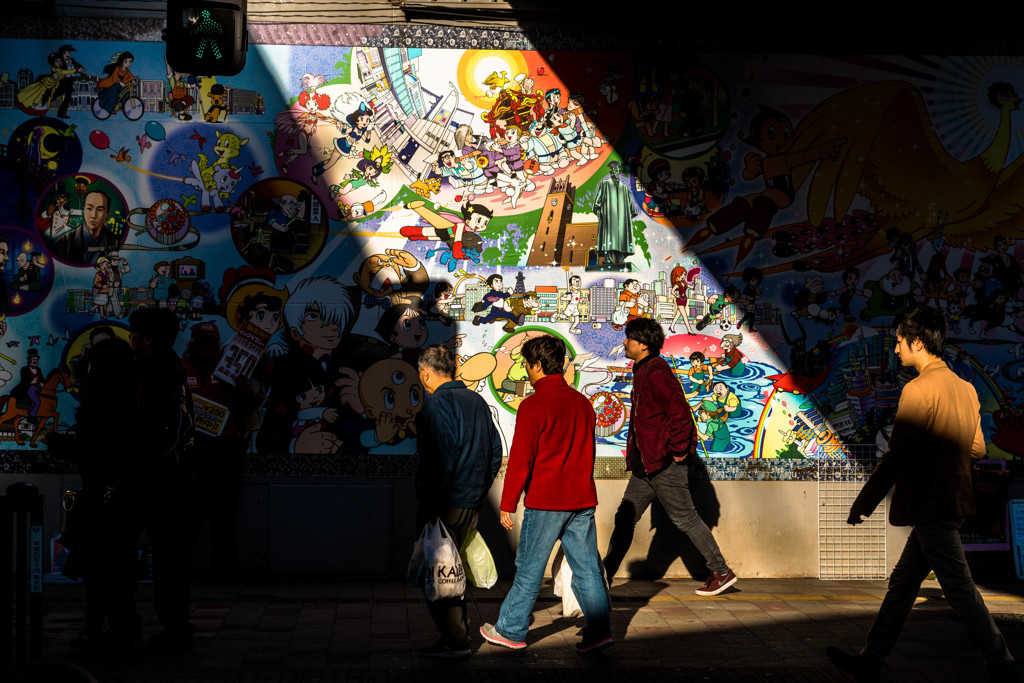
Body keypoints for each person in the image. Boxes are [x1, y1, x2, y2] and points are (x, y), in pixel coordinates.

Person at [826, 304, 1016, 682]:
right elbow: (977, 448)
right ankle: (871, 658)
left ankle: (1002, 663)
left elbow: (897, 455)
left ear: (916, 342)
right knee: (903, 583)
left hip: (932, 505)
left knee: (960, 589)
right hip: (953, 500)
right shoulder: (965, 388)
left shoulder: (917, 389)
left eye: (899, 342)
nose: (896, 350)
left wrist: (864, 502)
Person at [480, 335, 612, 654]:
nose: (525, 371)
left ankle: (511, 629)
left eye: (527, 364)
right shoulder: (582, 403)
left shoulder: (533, 406)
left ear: (538, 365)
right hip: (582, 501)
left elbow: (521, 461)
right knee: (588, 568)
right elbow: (588, 454)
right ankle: (600, 631)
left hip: (547, 502)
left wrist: (507, 503)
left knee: (529, 569)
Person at [603, 318, 737, 596]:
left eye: (629, 339)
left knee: (685, 518)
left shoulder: (656, 371)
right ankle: (605, 575)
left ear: (643, 344)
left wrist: (677, 452)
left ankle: (721, 571)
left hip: (662, 463)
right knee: (625, 518)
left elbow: (680, 414)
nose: (625, 343)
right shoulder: (643, 369)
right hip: (646, 466)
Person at [45, 338, 144, 652]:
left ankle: (106, 631)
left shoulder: (101, 399)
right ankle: (118, 628)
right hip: (128, 496)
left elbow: (93, 451)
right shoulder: (133, 395)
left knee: (101, 570)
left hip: (103, 497)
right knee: (118, 568)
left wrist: (57, 442)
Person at [414, 344, 502, 658]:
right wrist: (479, 489)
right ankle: (456, 635)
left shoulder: (434, 407)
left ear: (425, 373)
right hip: (471, 501)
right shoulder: (477, 401)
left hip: (445, 503)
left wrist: (429, 506)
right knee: (453, 568)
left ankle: (455, 640)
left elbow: (439, 461)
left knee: (440, 570)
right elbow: (494, 453)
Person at [130, 307, 197, 653]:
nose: (131, 339)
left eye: (135, 333)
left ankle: (169, 627)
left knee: (154, 556)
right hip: (176, 476)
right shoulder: (174, 366)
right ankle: (177, 624)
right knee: (171, 557)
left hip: (153, 478)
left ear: (148, 339)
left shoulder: (150, 370)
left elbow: (147, 427)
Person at [181, 322, 258, 575]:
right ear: (193, 342)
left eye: (211, 342)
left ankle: (224, 569)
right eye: (202, 341)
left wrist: (246, 391)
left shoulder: (230, 369)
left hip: (225, 445)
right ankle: (183, 569)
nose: (207, 347)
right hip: (189, 448)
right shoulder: (180, 368)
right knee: (190, 509)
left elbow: (247, 410)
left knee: (224, 509)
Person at [52, 189, 119, 265]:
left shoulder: (116, 243)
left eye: (100, 210)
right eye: (89, 209)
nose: (93, 215)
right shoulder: (63, 242)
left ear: (108, 214)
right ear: (84, 210)